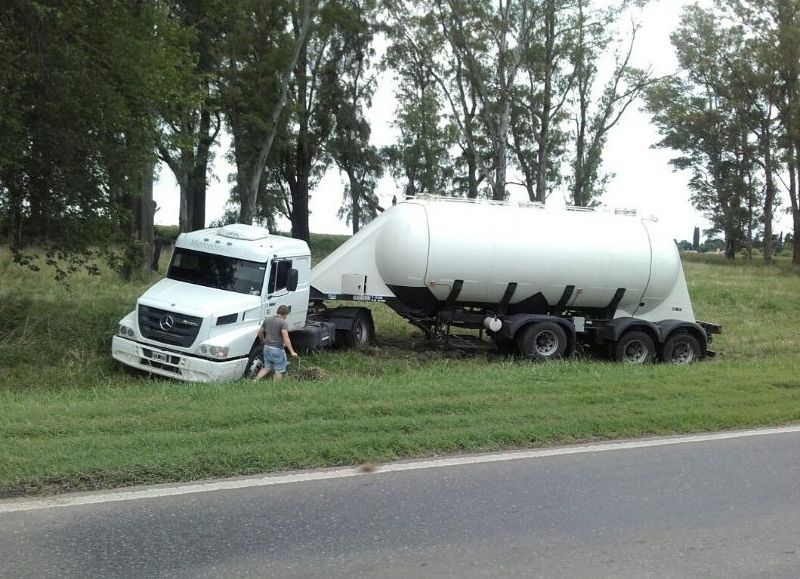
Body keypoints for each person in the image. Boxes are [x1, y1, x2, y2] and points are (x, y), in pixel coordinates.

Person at [254, 305, 298, 381]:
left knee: (267, 367)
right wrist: (292, 352)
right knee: (279, 370)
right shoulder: (283, 323)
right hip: (277, 349)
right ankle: (275, 387)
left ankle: (254, 381)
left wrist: (263, 340)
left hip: (266, 348)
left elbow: (260, 332)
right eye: (286, 315)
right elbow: (286, 338)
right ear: (285, 314)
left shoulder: (267, 319)